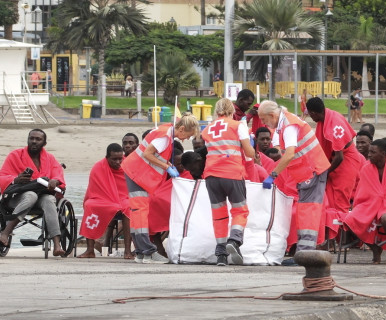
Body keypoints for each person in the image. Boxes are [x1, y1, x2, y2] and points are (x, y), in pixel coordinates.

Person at [256, 100, 332, 256]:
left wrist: (273, 175)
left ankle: (306, 253)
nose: (263, 123)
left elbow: (290, 153)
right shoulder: (286, 122)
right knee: (305, 210)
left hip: (312, 170)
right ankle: (304, 252)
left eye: (264, 119)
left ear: (272, 115)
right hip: (308, 172)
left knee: (308, 211)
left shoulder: (288, 126)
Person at [121, 114, 200, 263]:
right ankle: (148, 252)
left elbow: (154, 155)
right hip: (137, 174)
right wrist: (166, 167)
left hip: (135, 173)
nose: (185, 139)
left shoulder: (166, 131)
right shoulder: (165, 137)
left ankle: (141, 252)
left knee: (138, 212)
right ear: (182, 129)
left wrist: (168, 165)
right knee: (140, 212)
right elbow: (147, 153)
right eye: (187, 136)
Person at [0, 128, 69, 256]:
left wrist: (54, 181)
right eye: (31, 138)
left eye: (38, 139)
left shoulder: (50, 158)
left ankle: (57, 244)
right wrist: (15, 179)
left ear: (44, 143)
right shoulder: (15, 156)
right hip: (16, 198)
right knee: (31, 195)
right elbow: (0, 178)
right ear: (27, 140)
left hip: (42, 198)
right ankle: (6, 232)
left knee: (50, 200)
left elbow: (58, 176)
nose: (34, 141)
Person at [201, 98, 257, 265]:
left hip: (211, 175)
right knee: (240, 210)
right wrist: (252, 147)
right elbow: (249, 153)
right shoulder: (238, 125)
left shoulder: (207, 129)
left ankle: (221, 254)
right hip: (232, 173)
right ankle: (234, 240)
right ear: (232, 110)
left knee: (219, 215)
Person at [341, 138, 386, 264]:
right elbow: (363, 192)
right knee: (348, 220)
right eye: (369, 152)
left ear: (384, 154)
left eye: (373, 152)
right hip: (370, 203)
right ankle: (375, 248)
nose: (369, 155)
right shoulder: (366, 168)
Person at [305, 96, 363, 244]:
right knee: (330, 201)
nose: (310, 118)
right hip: (334, 162)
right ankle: (331, 239)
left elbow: (340, 157)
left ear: (314, 113)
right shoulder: (326, 117)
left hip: (346, 161)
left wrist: (325, 173)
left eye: (310, 115)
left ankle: (343, 241)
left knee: (341, 202)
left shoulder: (334, 124)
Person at [80, 143, 131, 259]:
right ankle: (90, 250)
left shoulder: (129, 165)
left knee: (128, 206)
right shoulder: (98, 167)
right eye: (114, 159)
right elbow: (94, 191)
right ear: (107, 157)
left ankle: (128, 251)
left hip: (124, 198)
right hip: (103, 199)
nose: (118, 162)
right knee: (89, 205)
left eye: (120, 159)